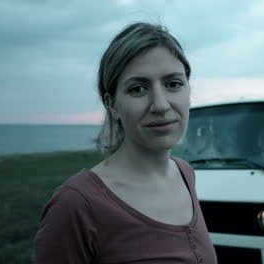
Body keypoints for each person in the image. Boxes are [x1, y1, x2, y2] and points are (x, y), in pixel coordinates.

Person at [33, 22, 217, 264]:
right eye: (138, 89)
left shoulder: (185, 173)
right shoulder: (77, 205)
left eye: (173, 84)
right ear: (112, 104)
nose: (161, 105)